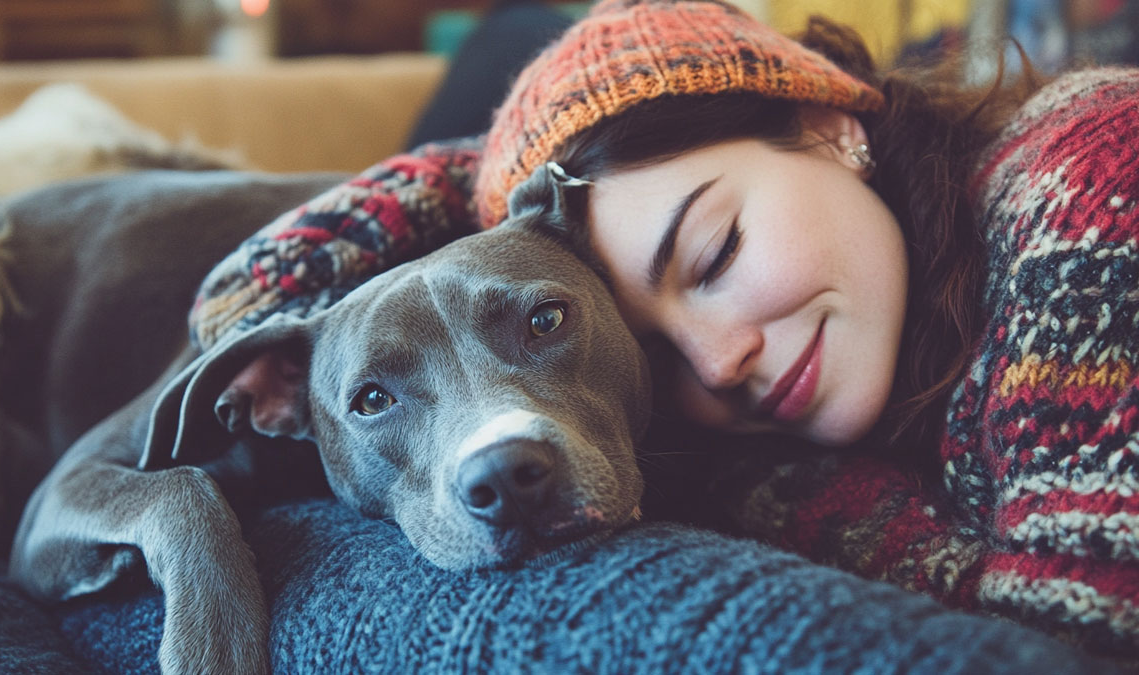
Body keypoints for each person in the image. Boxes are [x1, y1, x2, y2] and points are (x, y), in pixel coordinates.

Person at [188, 0, 1138, 662]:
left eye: (717, 250)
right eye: (654, 350)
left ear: (826, 122)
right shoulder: (774, 400)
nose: (720, 359)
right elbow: (251, 314)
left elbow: (1077, 640)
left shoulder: (1091, 185)